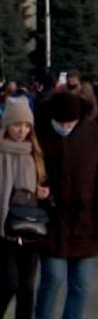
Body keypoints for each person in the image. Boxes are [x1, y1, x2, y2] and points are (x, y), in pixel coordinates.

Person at [0, 98, 47, 319]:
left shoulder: (35, 154)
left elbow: (45, 186)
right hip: (2, 231)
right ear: (7, 125)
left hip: (30, 230)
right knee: (9, 283)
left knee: (27, 288)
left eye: (26, 126)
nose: (21, 130)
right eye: (17, 125)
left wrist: (44, 194)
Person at [35, 90, 98, 319]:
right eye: (59, 122)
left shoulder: (92, 133)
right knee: (53, 278)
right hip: (51, 220)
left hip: (86, 222)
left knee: (81, 284)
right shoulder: (40, 132)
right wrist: (38, 188)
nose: (64, 126)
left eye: (69, 122)